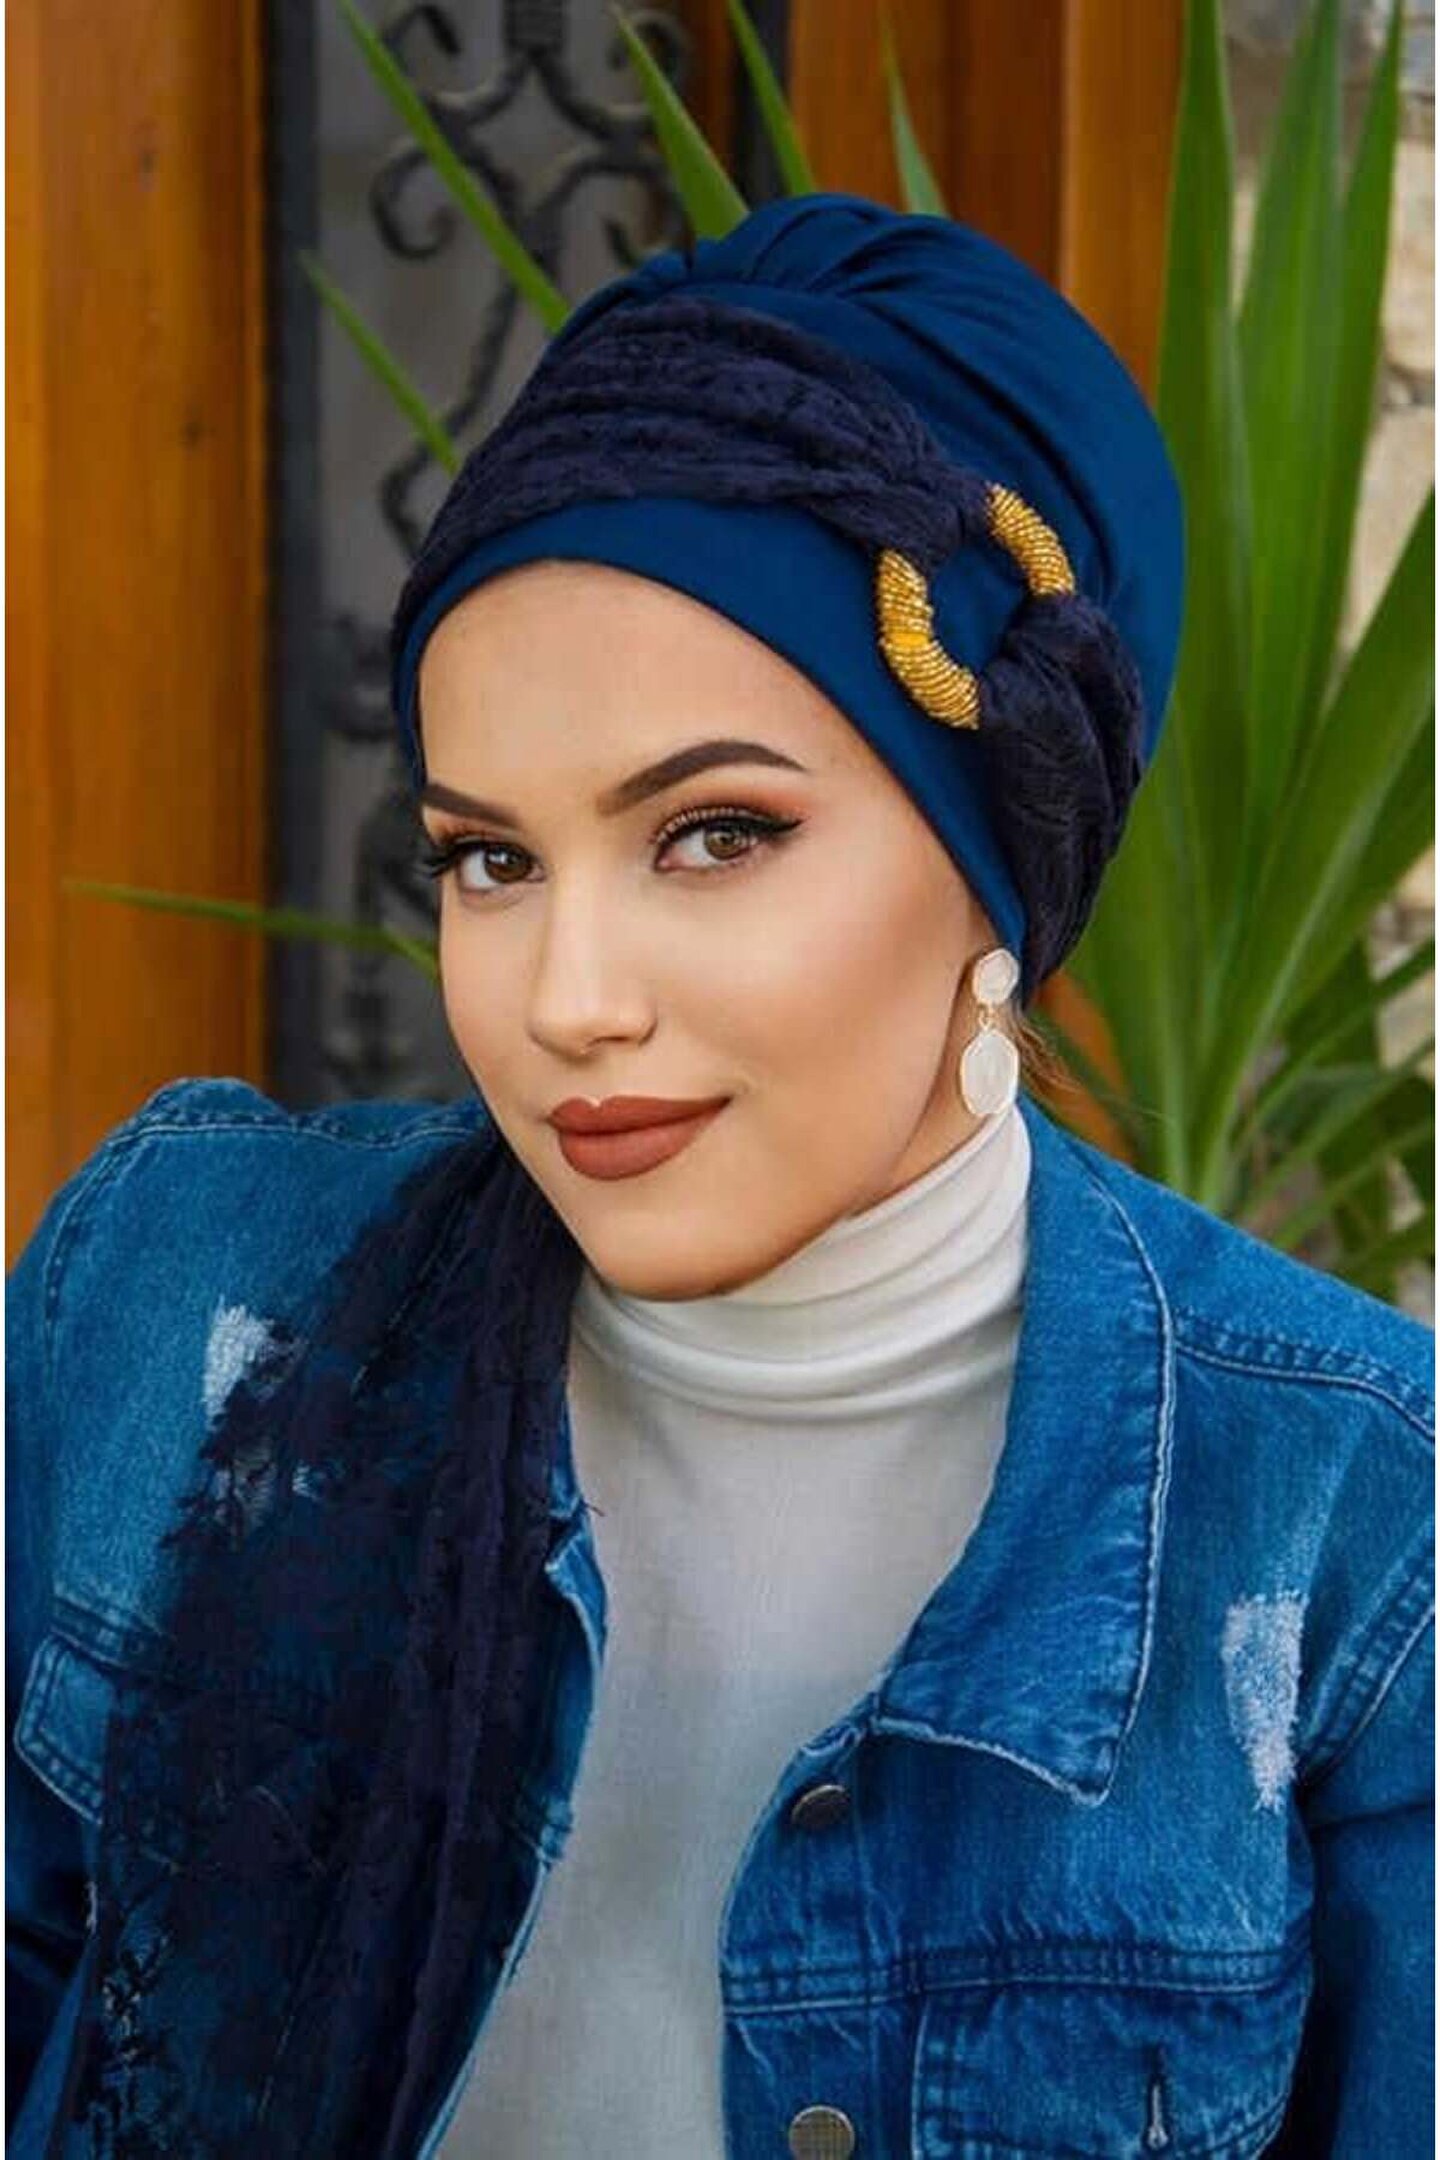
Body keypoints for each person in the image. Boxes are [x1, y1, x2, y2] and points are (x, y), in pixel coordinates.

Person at [7, 191, 1433, 2160]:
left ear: (1003, 863)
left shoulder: (1350, 1523)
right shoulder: (174, 1292)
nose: (567, 1002)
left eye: (715, 836)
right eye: (491, 860)